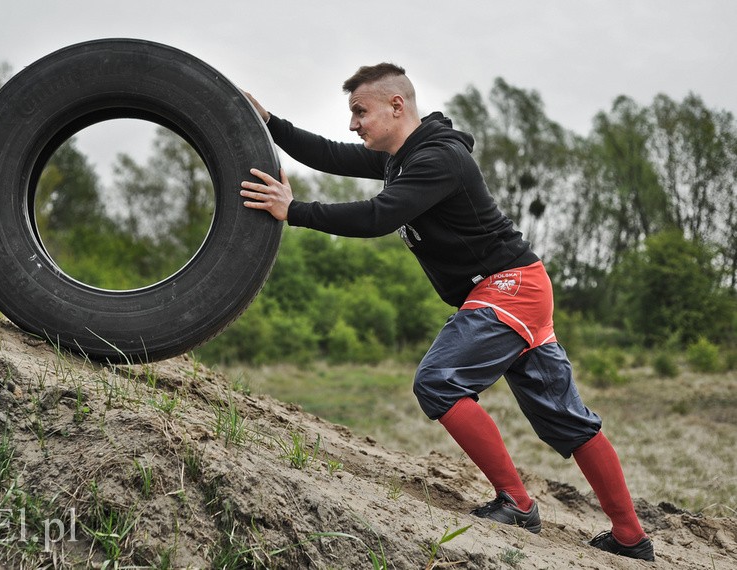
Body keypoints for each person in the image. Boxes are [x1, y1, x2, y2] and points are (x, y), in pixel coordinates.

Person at [239, 63, 654, 562]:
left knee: (438, 382)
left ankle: (517, 504)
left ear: (397, 106)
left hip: (507, 288)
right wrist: (267, 121)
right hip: (520, 288)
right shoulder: (403, 158)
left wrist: (295, 209)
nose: (353, 124)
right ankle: (631, 537)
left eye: (359, 111)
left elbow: (378, 216)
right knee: (565, 419)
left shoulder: (438, 158)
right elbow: (328, 155)